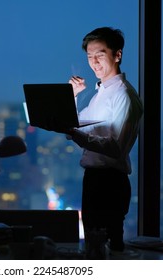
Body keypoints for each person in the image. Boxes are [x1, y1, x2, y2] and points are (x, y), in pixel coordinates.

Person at [49, 27, 143, 258]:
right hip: (95, 179)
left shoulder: (123, 95)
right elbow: (76, 128)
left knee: (108, 249)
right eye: (90, 56)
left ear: (117, 55)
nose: (94, 62)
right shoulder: (100, 93)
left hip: (109, 182)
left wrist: (74, 132)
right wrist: (73, 95)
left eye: (100, 55)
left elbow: (115, 147)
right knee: (94, 248)